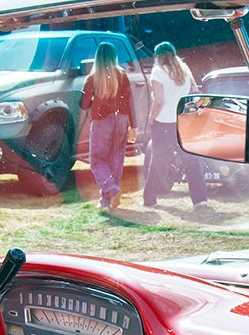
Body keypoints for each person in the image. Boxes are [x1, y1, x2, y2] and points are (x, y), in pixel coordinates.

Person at [143, 42, 206, 208]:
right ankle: (200, 199)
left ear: (158, 56)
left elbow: (159, 101)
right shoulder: (184, 69)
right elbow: (194, 91)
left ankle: (150, 199)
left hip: (163, 122)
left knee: (158, 162)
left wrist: (151, 117)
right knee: (192, 160)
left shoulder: (158, 71)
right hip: (183, 120)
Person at [82, 42, 136, 210]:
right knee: (116, 159)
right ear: (114, 57)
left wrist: (90, 97)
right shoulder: (122, 74)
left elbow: (83, 105)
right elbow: (129, 101)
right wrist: (133, 126)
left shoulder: (92, 78)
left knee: (97, 160)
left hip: (101, 120)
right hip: (121, 120)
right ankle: (107, 200)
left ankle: (111, 190)